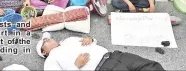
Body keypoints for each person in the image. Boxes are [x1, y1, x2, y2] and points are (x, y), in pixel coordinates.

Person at [37, 32, 165, 70]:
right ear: (43, 52)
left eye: (48, 38)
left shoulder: (68, 40)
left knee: (151, 66)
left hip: (113, 55)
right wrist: (76, 66)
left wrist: (90, 38)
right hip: (102, 68)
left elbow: (93, 41)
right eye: (45, 42)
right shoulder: (51, 60)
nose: (48, 40)